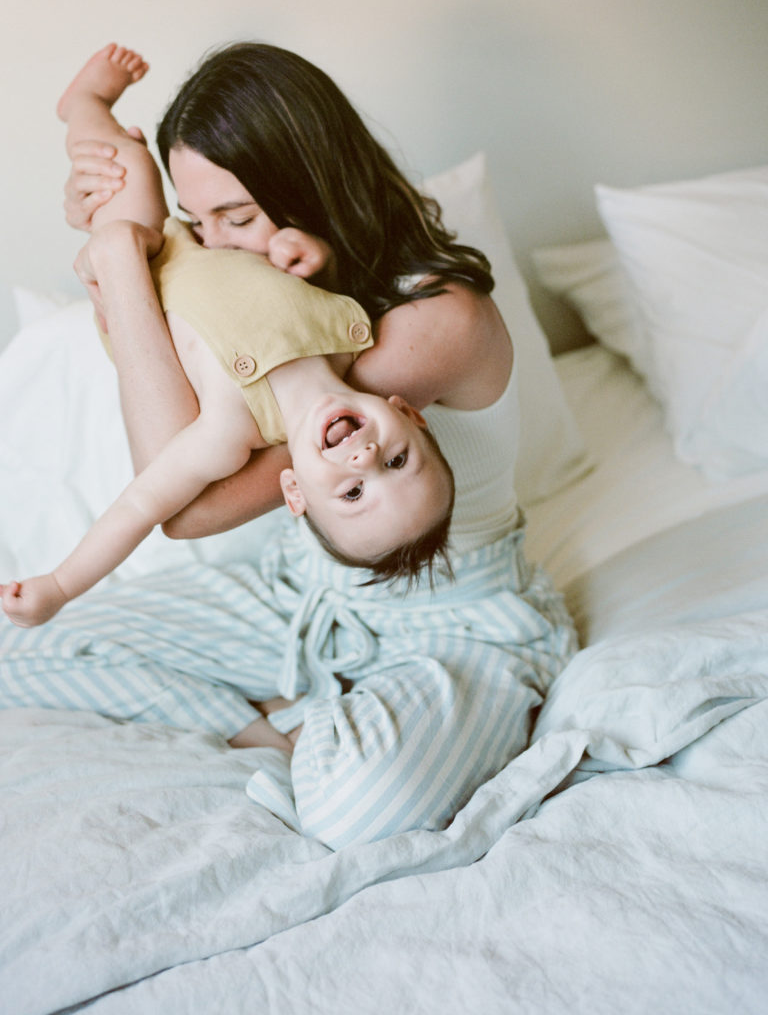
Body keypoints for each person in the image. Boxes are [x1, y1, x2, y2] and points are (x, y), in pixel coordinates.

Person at [0, 41, 577, 849]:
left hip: (454, 619)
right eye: (198, 220)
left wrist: (123, 275)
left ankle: (346, 732)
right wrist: (118, 219)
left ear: (309, 185)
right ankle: (277, 732)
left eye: (236, 216)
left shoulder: (433, 322)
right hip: (306, 594)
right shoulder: (285, 281)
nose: (217, 247)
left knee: (359, 809)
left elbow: (190, 509)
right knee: (21, 650)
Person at [0, 45, 454, 630]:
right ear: (409, 414)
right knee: (118, 163)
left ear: (293, 490)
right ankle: (87, 104)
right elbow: (317, 279)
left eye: (351, 493)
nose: (365, 458)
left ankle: (81, 107)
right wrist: (308, 254)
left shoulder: (229, 434)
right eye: (395, 460)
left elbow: (144, 504)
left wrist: (60, 585)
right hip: (173, 252)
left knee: (129, 169)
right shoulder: (354, 335)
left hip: (145, 276)